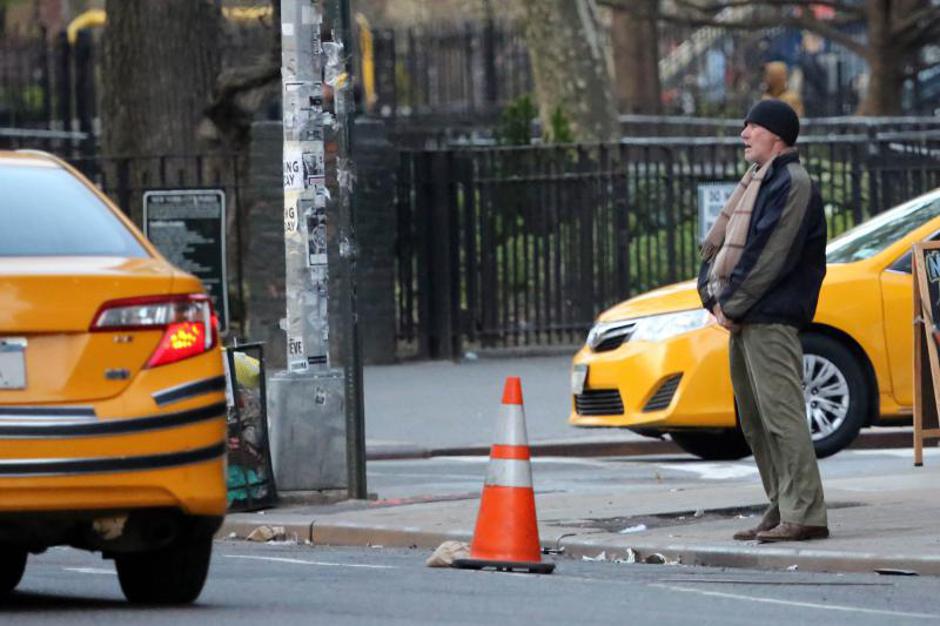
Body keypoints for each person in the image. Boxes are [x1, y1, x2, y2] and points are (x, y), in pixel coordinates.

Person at [697, 99, 828, 543]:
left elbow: (769, 255)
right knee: (754, 419)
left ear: (776, 134)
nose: (743, 134)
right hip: (747, 316)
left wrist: (729, 306)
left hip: (771, 317)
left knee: (781, 416)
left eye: (751, 126)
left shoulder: (792, 183)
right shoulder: (755, 182)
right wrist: (711, 297)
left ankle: (805, 511)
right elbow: (723, 244)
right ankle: (782, 504)